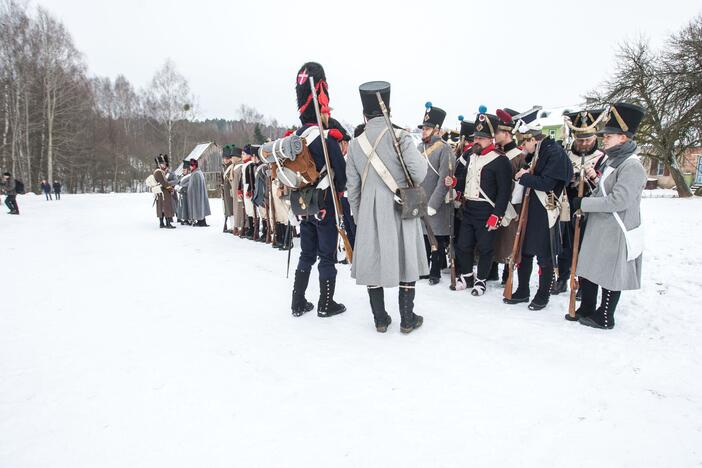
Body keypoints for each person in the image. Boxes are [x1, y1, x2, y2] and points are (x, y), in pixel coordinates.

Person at [346, 80, 428, 333]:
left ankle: (380, 319)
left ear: (364, 114)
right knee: (407, 261)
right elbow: (420, 173)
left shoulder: (354, 144)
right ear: (388, 110)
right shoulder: (401, 137)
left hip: (370, 211)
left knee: (373, 263)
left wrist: (361, 218)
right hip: (401, 207)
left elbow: (353, 189)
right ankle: (407, 319)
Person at [570, 102, 647, 329]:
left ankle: (605, 316)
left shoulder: (632, 166)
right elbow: (606, 190)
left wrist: (584, 203)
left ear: (623, 137)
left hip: (616, 228)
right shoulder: (615, 160)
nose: (604, 139)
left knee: (610, 274)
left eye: (609, 136)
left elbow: (618, 201)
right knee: (594, 268)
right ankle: (588, 308)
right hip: (602, 226)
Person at [289, 62, 346, 318]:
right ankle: (326, 304)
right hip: (324, 202)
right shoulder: (325, 139)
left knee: (306, 253)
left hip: (303, 204)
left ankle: (297, 302)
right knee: (326, 255)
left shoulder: (295, 138)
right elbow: (341, 176)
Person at [504, 119, 573, 310]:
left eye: (524, 142)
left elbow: (548, 183)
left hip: (546, 210)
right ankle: (523, 290)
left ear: (533, 139)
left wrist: (524, 177)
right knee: (524, 252)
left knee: (545, 255)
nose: (523, 147)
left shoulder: (553, 152)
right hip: (532, 208)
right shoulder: (540, 151)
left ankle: (543, 295)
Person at [452, 111, 512, 296]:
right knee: (463, 245)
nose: (476, 140)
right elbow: (465, 180)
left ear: (491, 139)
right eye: (476, 137)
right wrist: (454, 184)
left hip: (487, 210)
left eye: (481, 138)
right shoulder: (471, 155)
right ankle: (468, 276)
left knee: (486, 248)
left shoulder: (501, 160)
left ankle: (481, 280)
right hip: (469, 207)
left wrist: (497, 215)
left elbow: (504, 192)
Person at [551, 109, 607, 296]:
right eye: (580, 140)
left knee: (585, 247)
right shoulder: (565, 155)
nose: (584, 144)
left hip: (590, 208)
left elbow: (605, 185)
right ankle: (562, 278)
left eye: (588, 140)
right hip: (567, 205)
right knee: (565, 246)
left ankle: (583, 283)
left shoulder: (603, 158)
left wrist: (593, 178)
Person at [417, 103, 451, 285]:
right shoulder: (418, 148)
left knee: (436, 237)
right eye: (423, 128)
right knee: (423, 236)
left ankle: (435, 271)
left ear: (437, 130)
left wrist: (433, 203)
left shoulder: (444, 149)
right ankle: (423, 268)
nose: (423, 131)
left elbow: (444, 179)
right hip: (420, 199)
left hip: (435, 201)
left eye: (427, 128)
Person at [152, 154, 176, 229]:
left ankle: (162, 223)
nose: (164, 165)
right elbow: (164, 183)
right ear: (159, 164)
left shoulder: (158, 171)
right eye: (162, 163)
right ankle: (168, 224)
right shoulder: (158, 172)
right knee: (166, 208)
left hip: (160, 193)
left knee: (161, 208)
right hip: (164, 193)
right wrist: (170, 188)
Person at [187, 158, 211, 227]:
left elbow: (197, 187)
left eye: (191, 166)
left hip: (197, 195)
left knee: (199, 207)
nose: (190, 167)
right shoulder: (195, 172)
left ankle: (201, 222)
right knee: (199, 208)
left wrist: (194, 195)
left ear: (194, 166)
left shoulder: (196, 174)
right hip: (196, 195)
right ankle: (200, 221)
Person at [222, 145, 236, 233]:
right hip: (226, 191)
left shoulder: (232, 167)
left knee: (232, 208)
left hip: (231, 191)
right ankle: (231, 226)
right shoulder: (224, 167)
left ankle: (234, 226)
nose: (225, 160)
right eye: (224, 158)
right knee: (228, 209)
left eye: (227, 158)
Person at [176, 160, 192, 225]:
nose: (183, 171)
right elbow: (178, 183)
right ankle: (183, 218)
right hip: (182, 194)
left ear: (188, 170)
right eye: (183, 170)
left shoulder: (190, 176)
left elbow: (189, 184)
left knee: (186, 207)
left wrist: (181, 188)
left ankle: (187, 219)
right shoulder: (182, 176)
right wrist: (177, 186)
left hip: (187, 194)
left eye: (184, 170)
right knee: (182, 207)